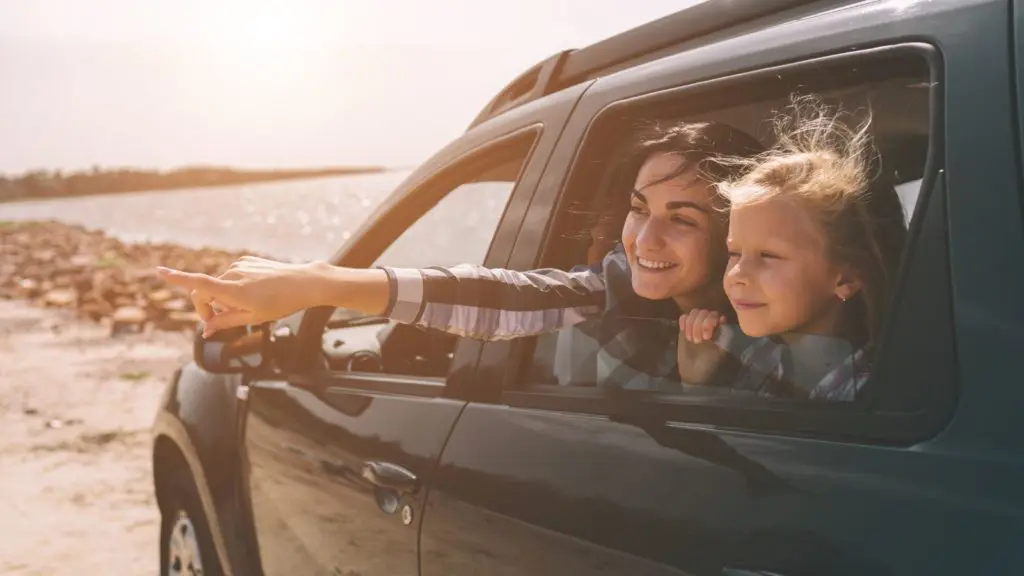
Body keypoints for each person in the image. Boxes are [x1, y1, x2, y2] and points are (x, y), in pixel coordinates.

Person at [157, 121, 765, 389]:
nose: (645, 240)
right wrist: (320, 283)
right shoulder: (613, 282)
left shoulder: (783, 324)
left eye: (682, 219)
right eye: (639, 209)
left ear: (737, 229)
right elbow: (506, 297)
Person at [678, 95, 908, 401]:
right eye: (734, 253)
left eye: (768, 256)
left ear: (846, 278)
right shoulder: (755, 362)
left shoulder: (874, 397)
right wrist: (697, 384)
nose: (737, 275)